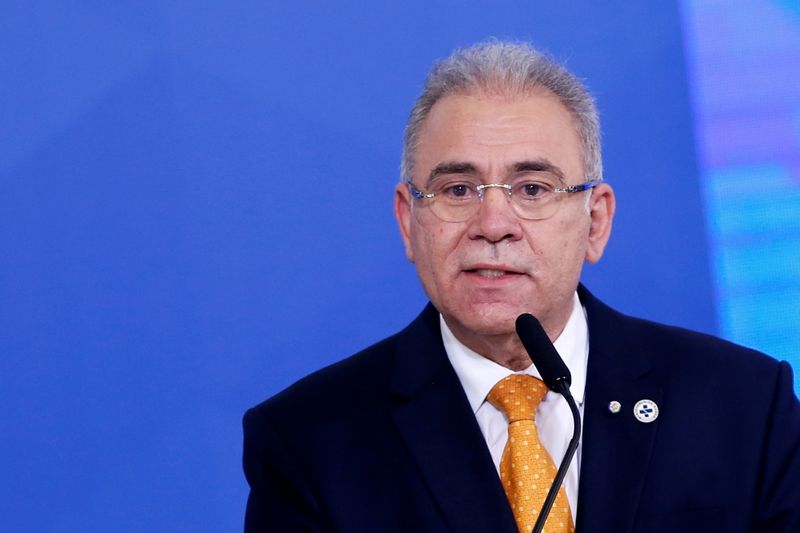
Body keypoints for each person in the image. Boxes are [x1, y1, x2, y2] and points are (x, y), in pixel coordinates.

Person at [242, 40, 800, 532]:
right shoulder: (309, 442)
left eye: (532, 188)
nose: (493, 224)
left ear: (595, 222)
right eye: (458, 190)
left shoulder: (743, 405)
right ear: (409, 222)